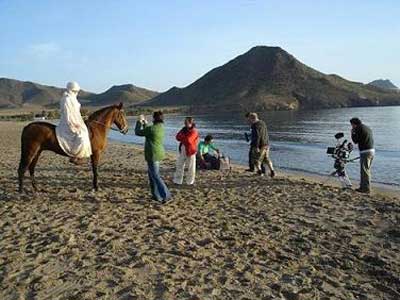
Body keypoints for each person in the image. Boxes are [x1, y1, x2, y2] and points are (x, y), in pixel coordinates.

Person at [135, 111, 171, 203]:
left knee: (155, 176)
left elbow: (138, 132)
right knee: (152, 175)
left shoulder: (152, 129)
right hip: (158, 153)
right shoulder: (160, 127)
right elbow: (149, 132)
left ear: (154, 118)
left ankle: (166, 195)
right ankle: (156, 196)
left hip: (153, 155)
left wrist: (139, 121)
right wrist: (145, 124)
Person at [56, 81, 92, 165]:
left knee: (85, 131)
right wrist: (73, 123)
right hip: (68, 121)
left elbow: (75, 112)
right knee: (81, 135)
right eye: (75, 91)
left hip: (75, 119)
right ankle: (75, 156)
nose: (76, 92)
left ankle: (80, 155)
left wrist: (81, 119)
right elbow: (68, 113)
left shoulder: (73, 98)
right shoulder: (66, 99)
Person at [350, 117, 374, 193]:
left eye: (352, 125)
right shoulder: (366, 127)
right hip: (371, 150)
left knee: (364, 171)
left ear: (354, 124)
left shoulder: (358, 129)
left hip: (365, 151)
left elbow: (355, 141)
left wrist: (352, 133)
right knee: (367, 170)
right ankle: (364, 186)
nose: (352, 126)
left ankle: (366, 189)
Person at [173, 117, 199, 185]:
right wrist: (184, 138)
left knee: (191, 167)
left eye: (186, 122)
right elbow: (177, 137)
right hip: (183, 149)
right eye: (184, 122)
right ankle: (177, 181)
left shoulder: (194, 131)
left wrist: (182, 138)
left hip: (191, 150)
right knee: (179, 165)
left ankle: (190, 182)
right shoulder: (183, 129)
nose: (184, 123)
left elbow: (189, 140)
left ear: (191, 123)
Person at [248, 113, 275, 178]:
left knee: (256, 160)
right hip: (266, 143)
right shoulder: (263, 123)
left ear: (252, 118)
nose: (249, 121)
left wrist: (256, 146)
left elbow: (257, 136)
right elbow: (265, 133)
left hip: (260, 145)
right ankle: (272, 172)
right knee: (266, 159)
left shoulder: (255, 125)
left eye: (250, 119)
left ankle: (260, 173)